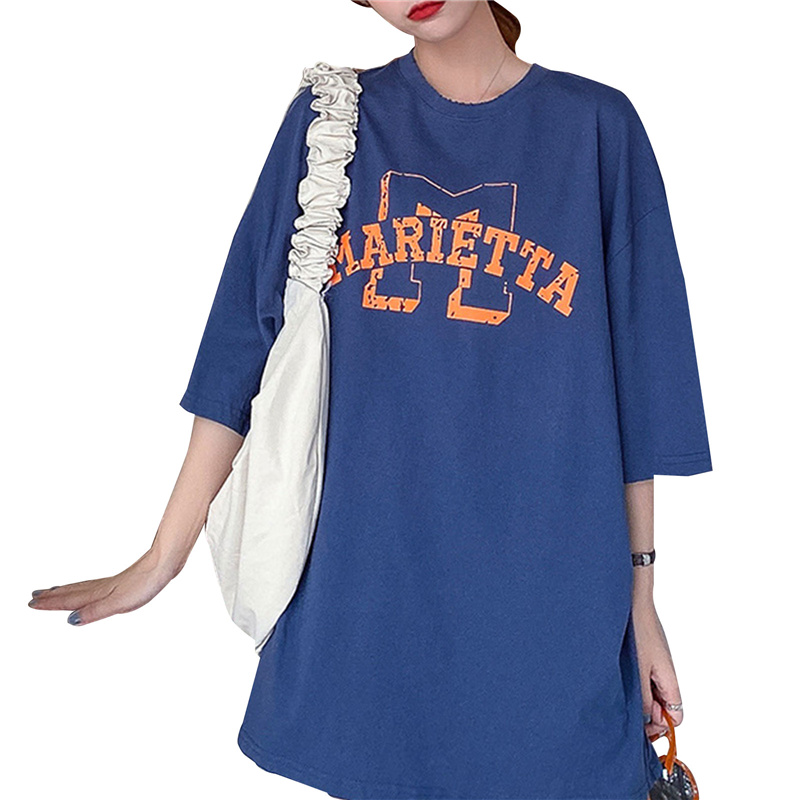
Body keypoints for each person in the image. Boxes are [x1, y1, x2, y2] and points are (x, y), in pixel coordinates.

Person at [28, 2, 712, 798]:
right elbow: (241, 351)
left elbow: (639, 386)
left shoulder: (596, 126)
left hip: (545, 597)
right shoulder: (332, 126)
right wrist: (162, 557)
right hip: (369, 590)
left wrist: (641, 598)